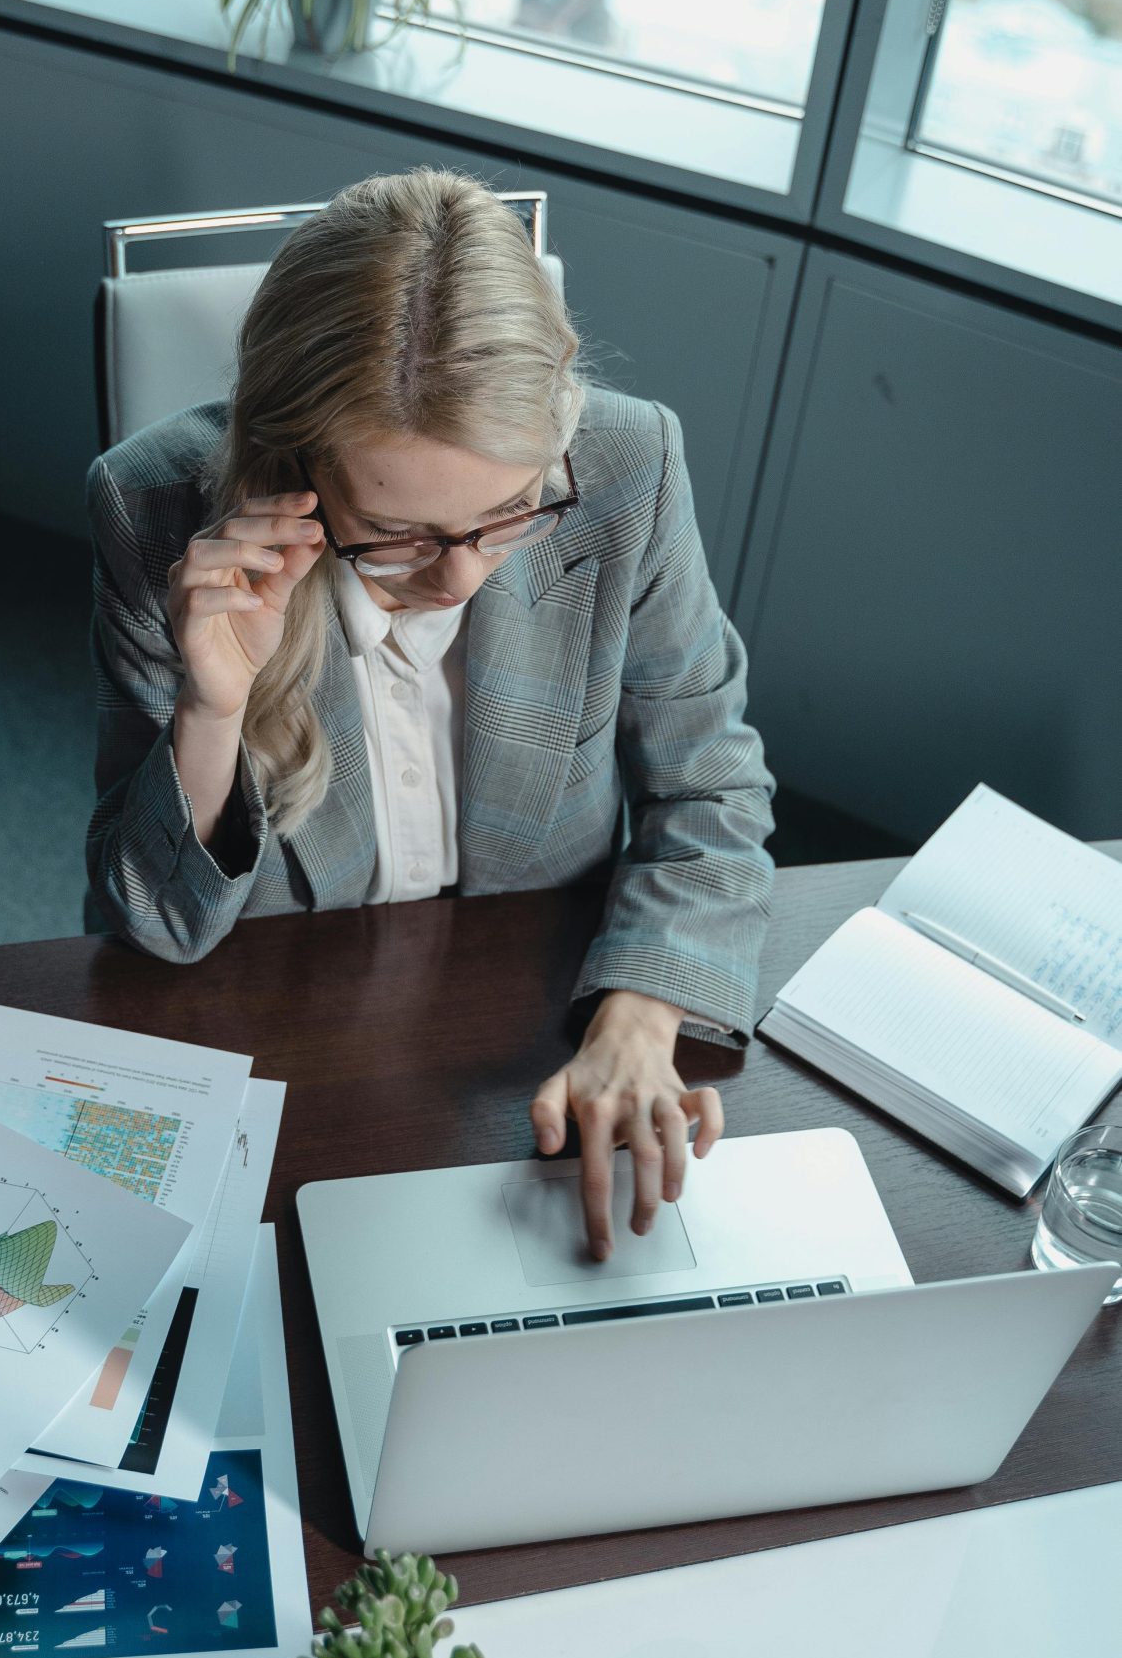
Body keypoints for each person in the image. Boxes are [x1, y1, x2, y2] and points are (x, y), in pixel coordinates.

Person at [86, 168, 774, 1257]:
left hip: (538, 1015)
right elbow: (159, 927)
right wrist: (213, 709)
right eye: (398, 534)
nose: (458, 580)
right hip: (283, 1049)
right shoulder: (156, 511)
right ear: (291, 463)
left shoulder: (626, 467)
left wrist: (641, 1016)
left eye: (506, 517)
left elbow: (711, 786)